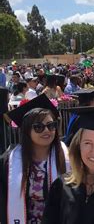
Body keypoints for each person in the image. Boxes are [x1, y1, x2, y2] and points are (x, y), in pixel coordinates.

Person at [1, 94, 68, 224]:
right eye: (38, 127)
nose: (46, 131)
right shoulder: (8, 162)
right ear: (27, 131)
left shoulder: (68, 157)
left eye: (51, 125)